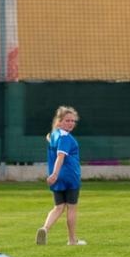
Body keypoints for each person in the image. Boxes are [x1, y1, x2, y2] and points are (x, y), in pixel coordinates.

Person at [37, 105, 84, 246]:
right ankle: (72, 240)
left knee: (58, 207)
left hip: (57, 177)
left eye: (73, 121)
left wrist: (53, 174)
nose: (71, 123)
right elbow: (60, 156)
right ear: (59, 121)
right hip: (69, 176)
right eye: (67, 120)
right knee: (72, 207)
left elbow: (52, 143)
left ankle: (44, 229)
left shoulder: (54, 135)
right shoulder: (65, 137)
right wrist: (55, 174)